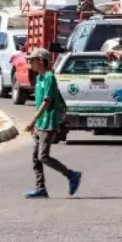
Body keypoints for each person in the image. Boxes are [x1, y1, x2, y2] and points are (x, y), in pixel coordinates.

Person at [23, 48, 82, 199]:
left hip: (48, 122)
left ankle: (71, 175)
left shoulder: (49, 77)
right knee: (35, 158)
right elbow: (38, 102)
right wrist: (35, 124)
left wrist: (32, 121)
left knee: (43, 156)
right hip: (39, 124)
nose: (29, 62)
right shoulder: (39, 78)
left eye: (32, 60)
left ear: (41, 61)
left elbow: (47, 102)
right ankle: (40, 188)